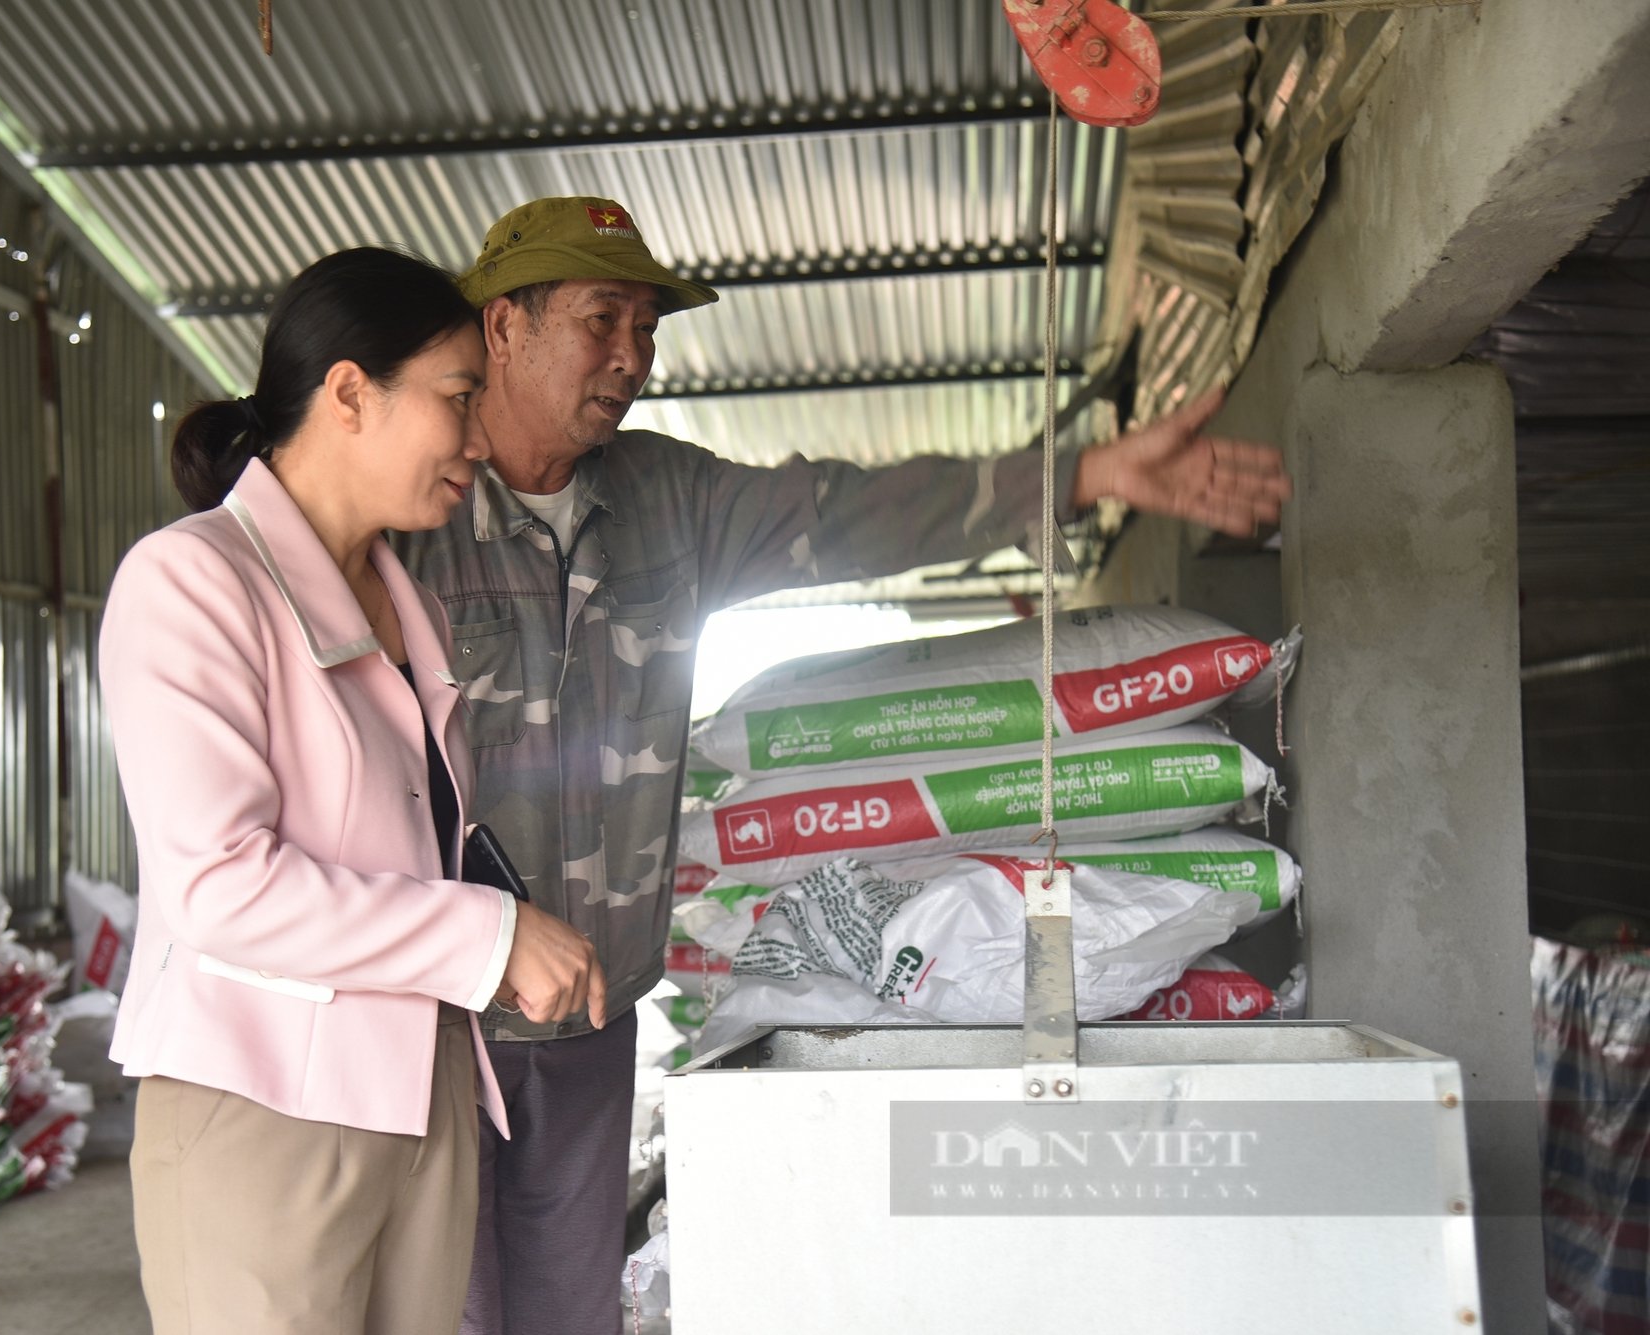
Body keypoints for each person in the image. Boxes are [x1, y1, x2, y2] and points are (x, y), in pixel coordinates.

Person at [389, 196, 1292, 1335]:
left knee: (569, 1316)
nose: (632, 355)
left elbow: (859, 512)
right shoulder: (413, 508)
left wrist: (1080, 474)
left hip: (590, 1018)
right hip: (435, 1023)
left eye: (647, 327)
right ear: (503, 326)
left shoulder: (664, 501)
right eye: (600, 319)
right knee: (438, 1316)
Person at [99, 247, 604, 1335]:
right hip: (263, 1105)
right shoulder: (194, 579)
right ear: (346, 392)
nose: (477, 441)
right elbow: (220, 885)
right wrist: (490, 934)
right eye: (459, 398)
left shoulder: (392, 595)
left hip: (414, 1095)